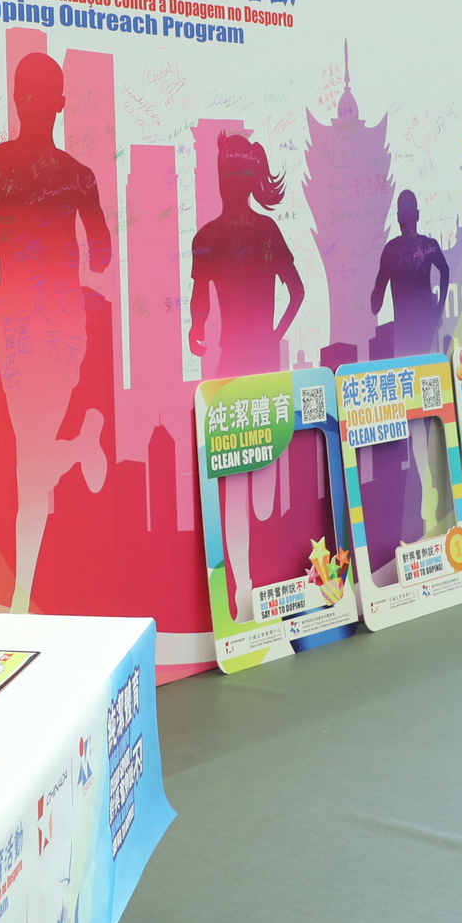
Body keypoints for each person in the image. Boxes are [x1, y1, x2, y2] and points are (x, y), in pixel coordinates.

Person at [0, 51, 112, 614]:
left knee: (28, 460)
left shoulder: (54, 174)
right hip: (23, 325)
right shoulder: (18, 172)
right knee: (31, 456)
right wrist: (14, 238)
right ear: (58, 104)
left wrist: (13, 237)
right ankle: (79, 446)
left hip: (50, 326)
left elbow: (101, 257)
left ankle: (21, 595)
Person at [190, 133, 305, 612]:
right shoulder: (254, 234)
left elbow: (199, 308)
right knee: (244, 487)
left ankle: (250, 580)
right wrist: (274, 334)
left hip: (240, 367)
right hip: (250, 366)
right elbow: (296, 292)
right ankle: (244, 584)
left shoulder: (211, 237)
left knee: (249, 491)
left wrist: (197, 330)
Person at [369, 189, 449, 357]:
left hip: (406, 329)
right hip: (424, 325)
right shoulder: (428, 244)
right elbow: (445, 270)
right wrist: (439, 308)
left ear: (399, 217)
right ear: (417, 215)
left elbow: (376, 302)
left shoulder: (391, 249)